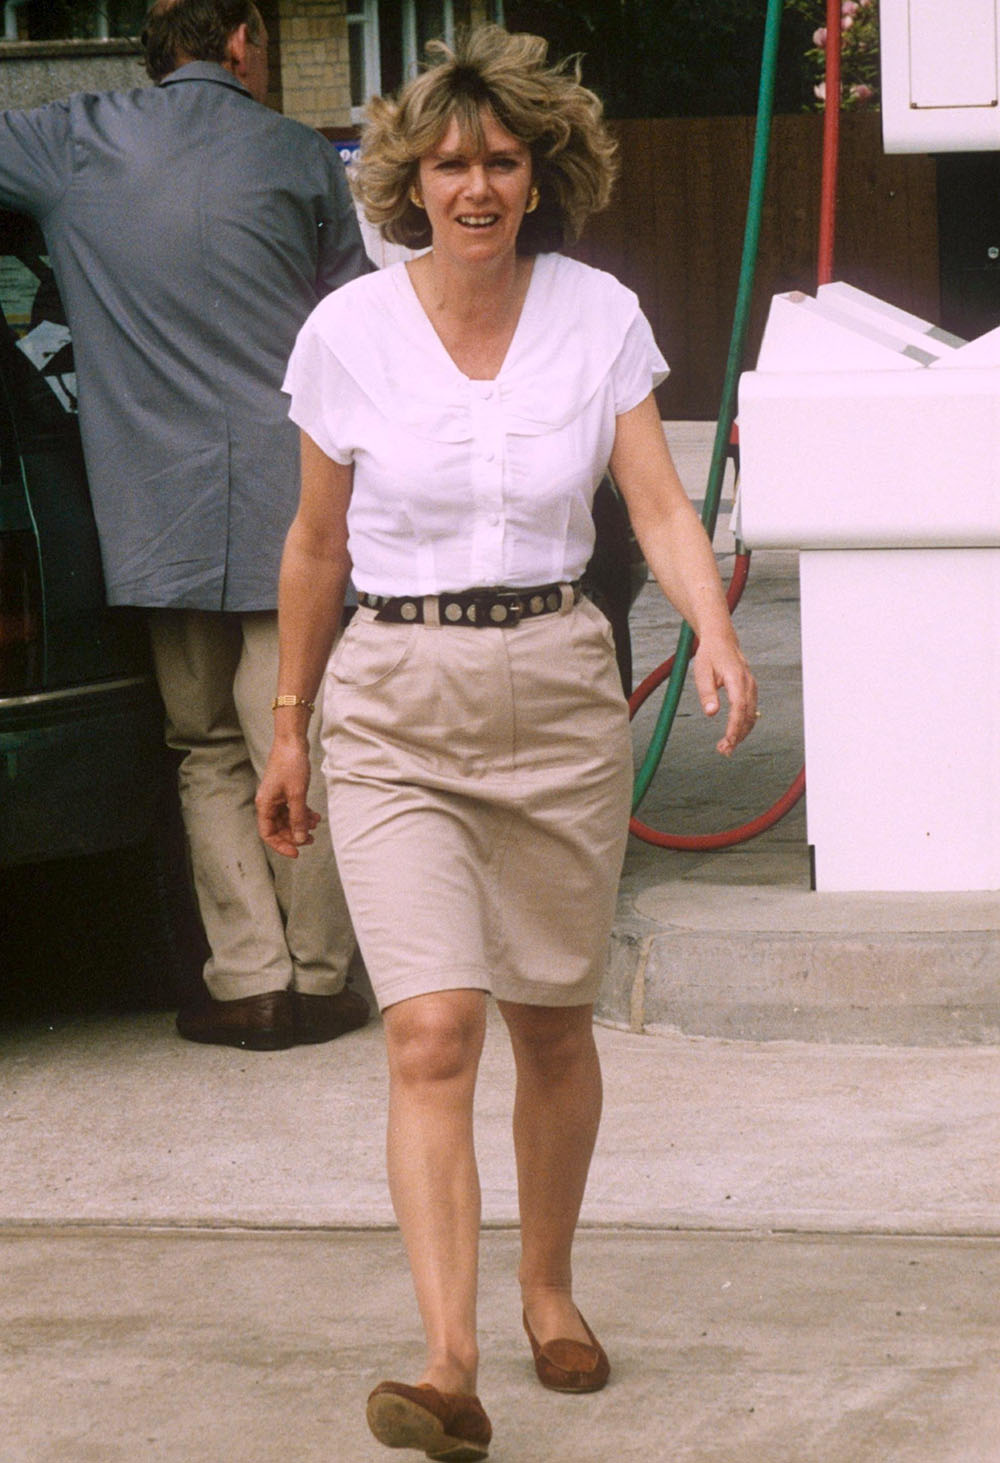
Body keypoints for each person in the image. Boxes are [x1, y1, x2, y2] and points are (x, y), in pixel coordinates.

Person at [256, 24, 758, 1459]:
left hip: (554, 681)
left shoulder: (597, 314)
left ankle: (548, 1286)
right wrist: (288, 725)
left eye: (503, 159)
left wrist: (711, 624)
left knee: (548, 1021)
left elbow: (656, 502)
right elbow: (313, 542)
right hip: (395, 691)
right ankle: (449, 1357)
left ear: (542, 173)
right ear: (411, 178)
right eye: (452, 161)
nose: (476, 184)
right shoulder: (346, 332)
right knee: (431, 1024)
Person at [0, 0, 372, 1051]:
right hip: (293, 515)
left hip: (150, 517)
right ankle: (322, 976)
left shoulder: (69, 140)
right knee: (300, 739)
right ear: (246, 42)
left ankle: (247, 979)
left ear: (148, 50)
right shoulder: (300, 156)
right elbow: (354, 327)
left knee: (204, 747)